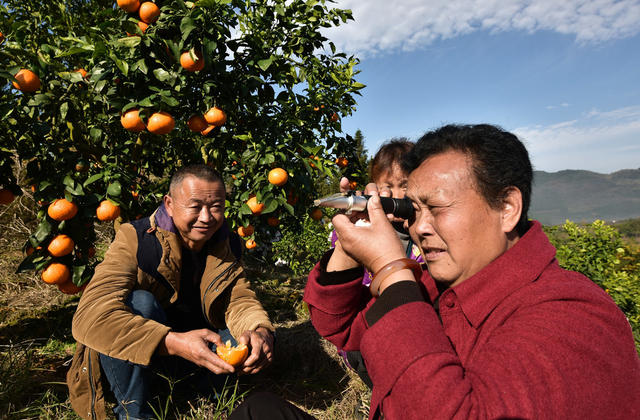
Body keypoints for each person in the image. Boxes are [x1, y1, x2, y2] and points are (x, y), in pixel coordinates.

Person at [301, 124, 640, 419]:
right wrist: (348, 246)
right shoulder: (442, 283)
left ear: (507, 208)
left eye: (436, 208)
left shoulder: (572, 316)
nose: (420, 228)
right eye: (414, 211)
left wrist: (391, 271)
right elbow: (341, 326)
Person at [66, 164, 275, 420]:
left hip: (195, 352)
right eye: (195, 206)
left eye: (216, 207)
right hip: (145, 354)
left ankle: (202, 393)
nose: (207, 217)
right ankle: (134, 411)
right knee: (139, 302)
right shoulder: (136, 238)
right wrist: (173, 342)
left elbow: (239, 297)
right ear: (169, 203)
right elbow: (92, 316)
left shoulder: (225, 242)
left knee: (241, 335)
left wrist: (260, 330)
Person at [328, 139, 423, 387]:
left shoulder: (424, 232)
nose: (396, 194)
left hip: (410, 330)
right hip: (366, 336)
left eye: (405, 185)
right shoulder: (363, 226)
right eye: (387, 186)